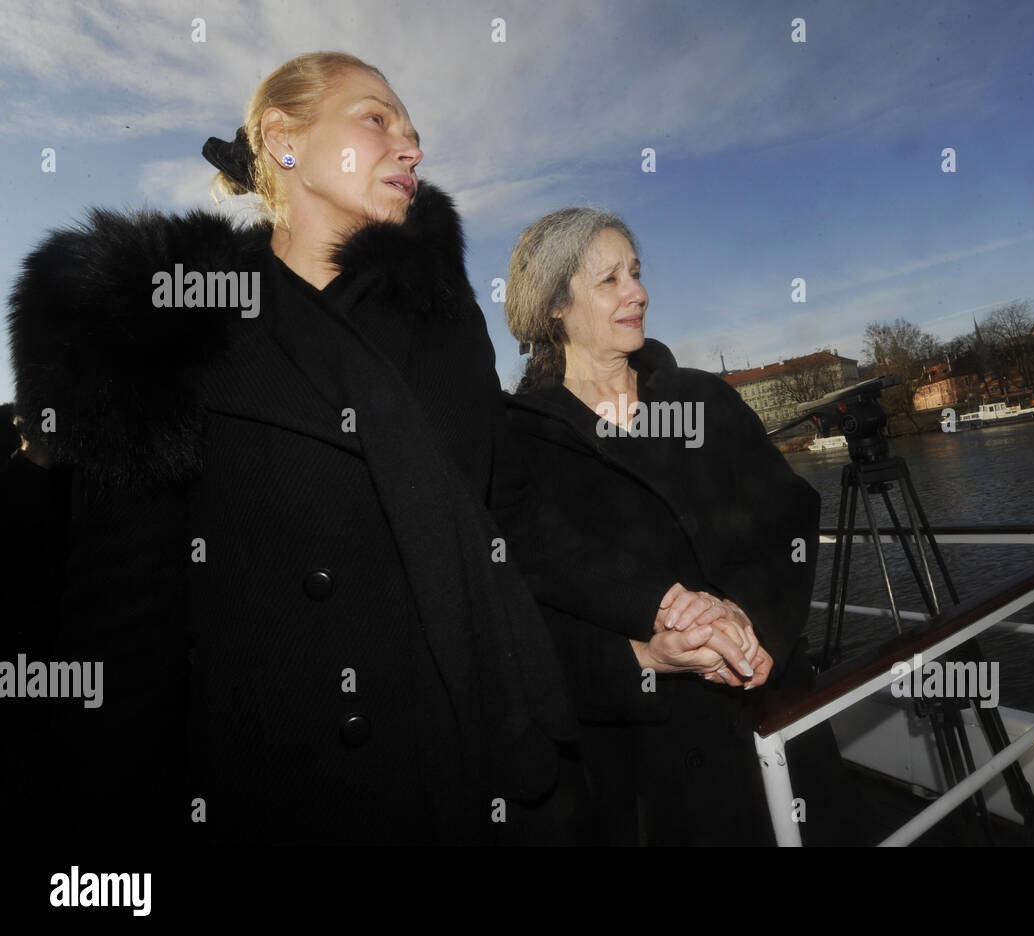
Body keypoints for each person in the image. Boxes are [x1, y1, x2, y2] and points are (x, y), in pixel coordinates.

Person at [3, 51, 576, 845]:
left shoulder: (447, 328)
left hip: (463, 776)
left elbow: (510, 515)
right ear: (283, 139)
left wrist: (645, 615)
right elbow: (124, 627)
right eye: (377, 119)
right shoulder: (167, 330)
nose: (411, 147)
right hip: (271, 796)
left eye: (414, 134)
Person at [499, 207, 854, 845]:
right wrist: (642, 659)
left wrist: (752, 622)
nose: (639, 292)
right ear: (555, 304)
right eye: (609, 280)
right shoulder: (519, 441)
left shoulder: (704, 399)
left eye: (635, 273)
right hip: (644, 773)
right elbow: (521, 619)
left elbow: (789, 522)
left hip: (773, 714)